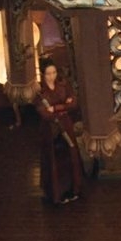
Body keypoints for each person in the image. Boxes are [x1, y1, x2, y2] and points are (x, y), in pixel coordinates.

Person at [37, 63, 85, 205]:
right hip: (50, 128)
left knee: (70, 156)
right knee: (54, 159)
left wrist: (56, 108)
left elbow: (73, 103)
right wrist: (63, 106)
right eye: (48, 74)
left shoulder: (63, 86)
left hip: (65, 123)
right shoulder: (40, 91)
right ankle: (56, 193)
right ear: (43, 74)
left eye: (54, 72)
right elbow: (44, 113)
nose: (52, 76)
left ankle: (73, 189)